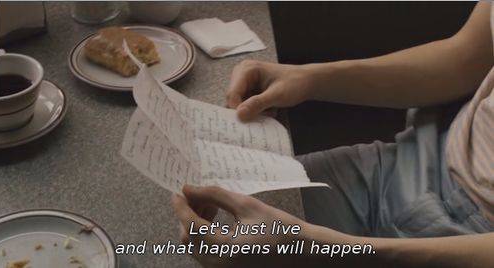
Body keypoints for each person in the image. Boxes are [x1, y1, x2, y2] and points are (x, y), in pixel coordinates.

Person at [172, 2, 494, 267]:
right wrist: (308, 79)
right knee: (188, 236)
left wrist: (318, 248)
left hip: (472, 241)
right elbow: (465, 58)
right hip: (414, 163)